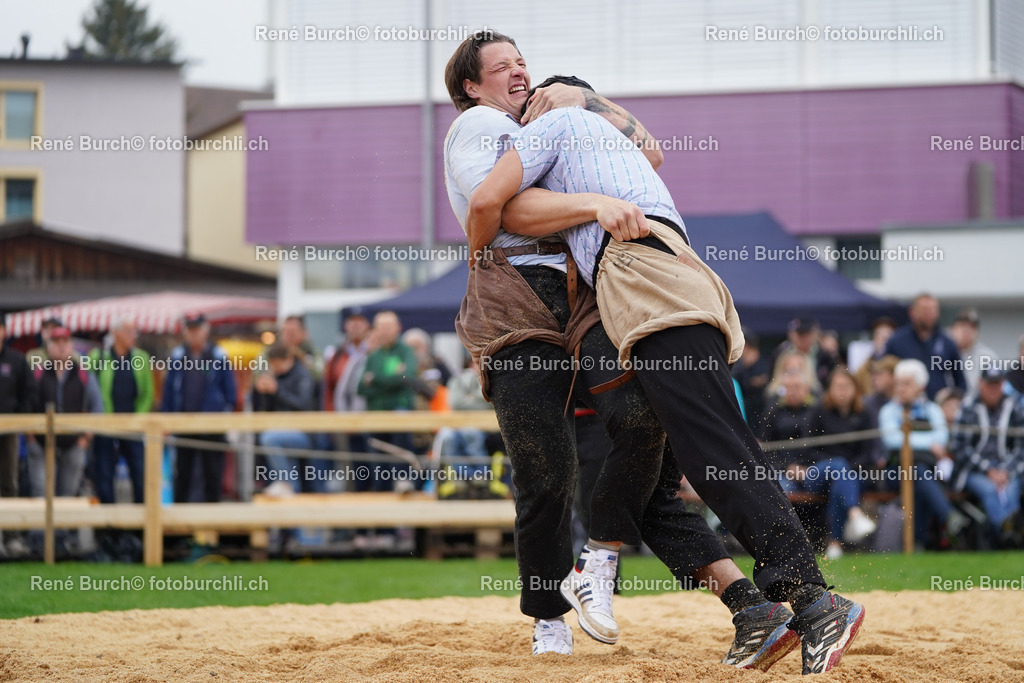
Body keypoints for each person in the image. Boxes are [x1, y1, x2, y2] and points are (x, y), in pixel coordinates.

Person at [467, 90, 864, 672]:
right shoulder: (602, 139)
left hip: (646, 280)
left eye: (526, 99)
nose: (517, 113)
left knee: (716, 452)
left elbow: (489, 202)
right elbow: (650, 147)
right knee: (657, 481)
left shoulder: (556, 123)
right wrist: (590, 106)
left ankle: (812, 598)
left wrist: (479, 262)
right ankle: (754, 609)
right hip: (663, 279)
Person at [758, 364, 875, 559]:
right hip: (814, 472)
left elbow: (868, 452)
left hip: (849, 476)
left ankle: (835, 544)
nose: (842, 391)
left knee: (840, 482)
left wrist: (847, 469)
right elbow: (807, 449)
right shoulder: (816, 411)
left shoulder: (864, 415)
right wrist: (788, 467)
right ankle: (854, 515)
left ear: (855, 388)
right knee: (837, 466)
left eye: (846, 386)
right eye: (838, 386)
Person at [28, 326, 103, 556]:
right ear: (48, 346)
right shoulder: (38, 373)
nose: (61, 346)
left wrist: (86, 437)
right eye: (56, 341)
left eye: (65, 341)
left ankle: (65, 540)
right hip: (41, 443)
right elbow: (27, 406)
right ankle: (40, 540)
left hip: (73, 442)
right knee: (40, 490)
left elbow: (97, 408)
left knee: (68, 491)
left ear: (71, 345)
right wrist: (31, 436)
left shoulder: (82, 373)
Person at [878, 359, 967, 548]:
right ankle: (948, 516)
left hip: (923, 471)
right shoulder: (888, 411)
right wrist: (927, 443)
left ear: (920, 386)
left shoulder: (932, 409)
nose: (901, 388)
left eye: (907, 383)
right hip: (895, 471)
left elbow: (942, 437)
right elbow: (893, 440)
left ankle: (918, 543)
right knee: (919, 472)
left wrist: (911, 440)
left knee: (919, 476)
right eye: (898, 384)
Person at [162, 314, 237, 503]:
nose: (194, 335)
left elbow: (230, 391)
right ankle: (178, 526)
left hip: (212, 424)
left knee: (213, 474)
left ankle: (211, 524)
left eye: (197, 330)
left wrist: (224, 416)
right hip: (184, 423)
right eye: (191, 331)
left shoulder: (218, 355)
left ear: (206, 331)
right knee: (182, 474)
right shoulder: (178, 356)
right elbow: (169, 391)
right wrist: (167, 419)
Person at [950, 367, 1024, 546]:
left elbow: (1021, 446)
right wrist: (988, 470)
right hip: (974, 470)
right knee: (990, 490)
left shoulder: (1014, 406)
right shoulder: (968, 407)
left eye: (997, 385)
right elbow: (959, 448)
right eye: (990, 384)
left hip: (1007, 468)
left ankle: (1006, 533)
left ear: (1003, 385)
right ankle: (1007, 534)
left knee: (1010, 489)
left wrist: (1005, 470)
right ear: (980, 384)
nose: (993, 389)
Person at [87, 317, 154, 505]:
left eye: (134, 332)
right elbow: (89, 390)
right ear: (116, 332)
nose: (133, 336)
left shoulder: (141, 358)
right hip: (105, 425)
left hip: (133, 426)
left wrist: (137, 418)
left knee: (140, 474)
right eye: (129, 331)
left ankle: (141, 529)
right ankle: (107, 530)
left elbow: (148, 394)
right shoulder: (97, 356)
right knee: (104, 475)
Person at [254, 343, 317, 495]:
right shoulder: (276, 375)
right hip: (282, 430)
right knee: (289, 465)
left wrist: (277, 390)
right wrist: (261, 392)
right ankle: (291, 494)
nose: (275, 367)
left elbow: (303, 404)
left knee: (269, 439)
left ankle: (285, 483)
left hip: (304, 433)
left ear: (288, 359)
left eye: (277, 364)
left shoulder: (302, 375)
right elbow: (264, 408)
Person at [884, 294, 965, 399]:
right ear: (912, 312)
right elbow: (884, 375)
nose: (929, 314)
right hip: (904, 407)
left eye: (933, 310)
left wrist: (953, 400)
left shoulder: (947, 343)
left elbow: (960, 381)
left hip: (938, 407)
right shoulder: (896, 341)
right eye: (925, 310)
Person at [0, 317, 34, 558]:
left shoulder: (16, 360)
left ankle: (10, 536)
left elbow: (29, 392)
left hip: (9, 431)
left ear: (3, 331)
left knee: (9, 483)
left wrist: (19, 419)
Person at [949, 308, 998, 398]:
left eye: (971, 327)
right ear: (953, 329)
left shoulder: (987, 356)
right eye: (962, 326)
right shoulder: (944, 353)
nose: (966, 331)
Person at [731, 329, 771, 429]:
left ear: (745, 345)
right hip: (743, 423)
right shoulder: (737, 369)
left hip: (762, 425)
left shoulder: (765, 366)